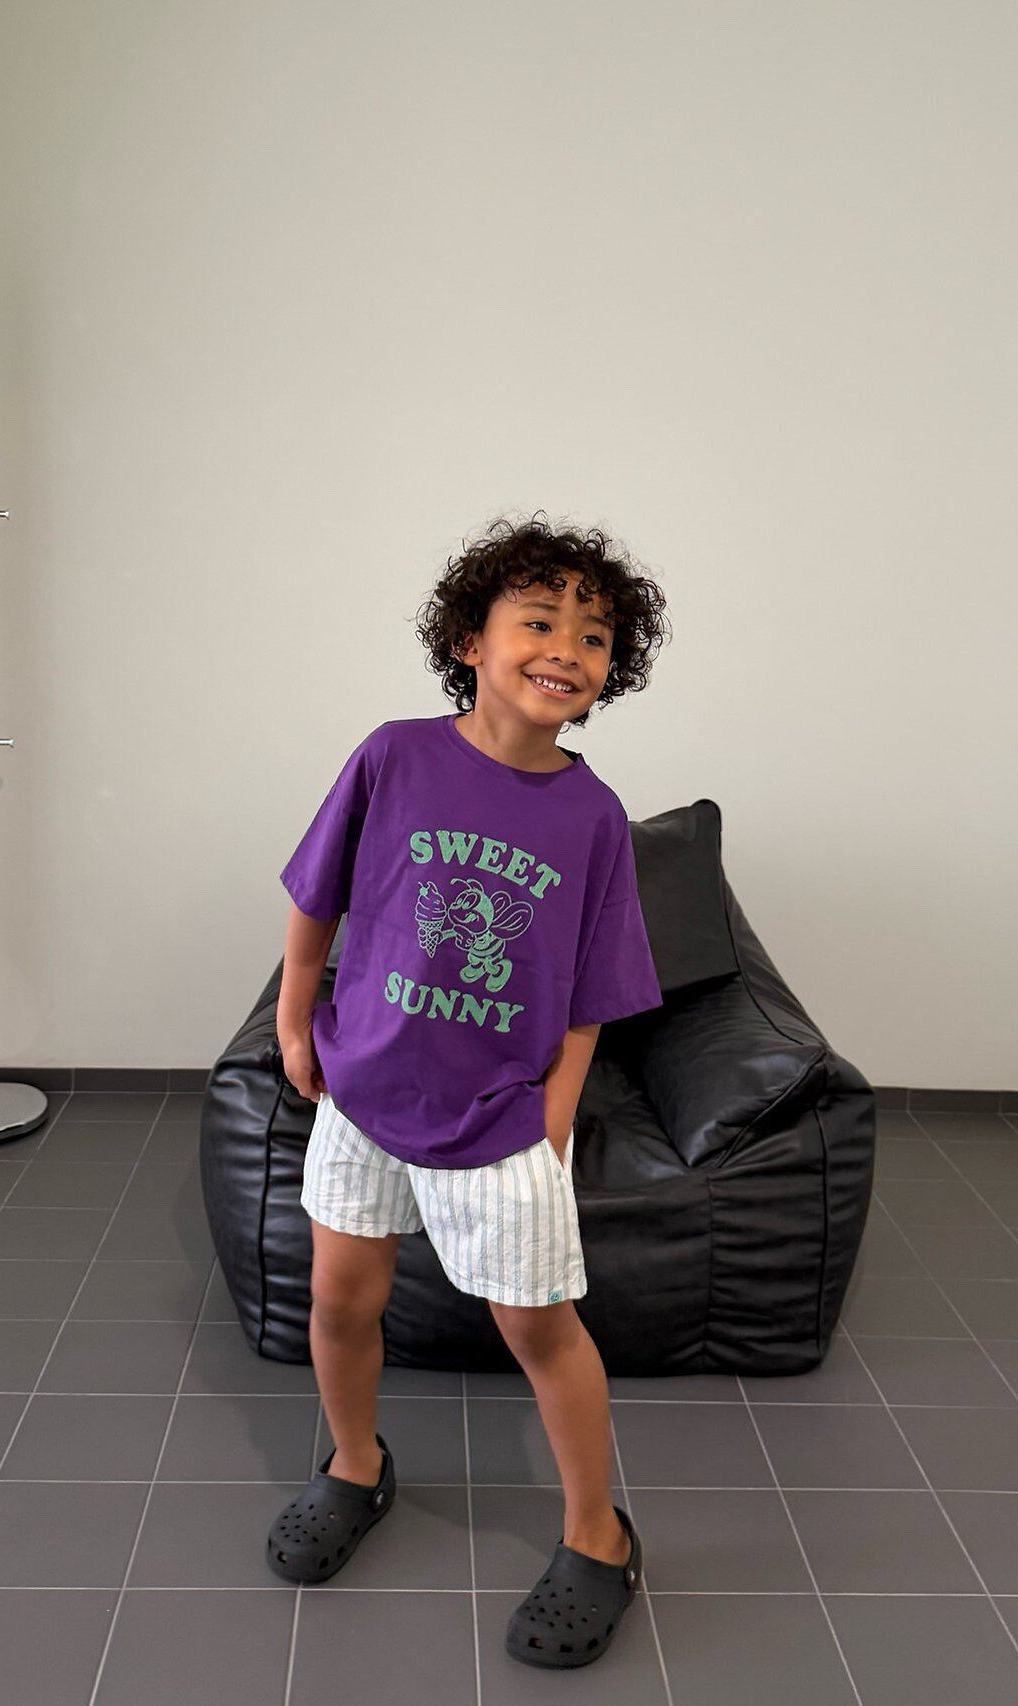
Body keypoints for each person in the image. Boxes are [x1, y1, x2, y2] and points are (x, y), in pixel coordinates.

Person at [266, 512, 670, 1669]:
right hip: (364, 1091)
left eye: (591, 636)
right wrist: (295, 1015)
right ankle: (354, 1464)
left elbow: (591, 990)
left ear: (608, 671)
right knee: (340, 1298)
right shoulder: (392, 755)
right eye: (538, 620)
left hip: (499, 1118)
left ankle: (598, 1534)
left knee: (538, 1326)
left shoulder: (591, 816)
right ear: (469, 639)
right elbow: (317, 895)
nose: (564, 648)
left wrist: (556, 1109)